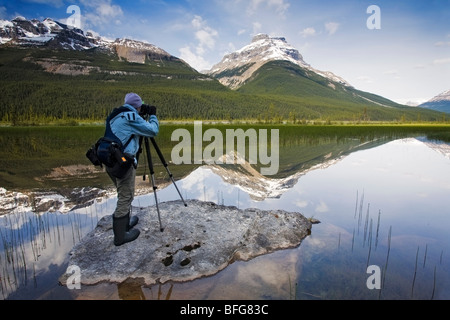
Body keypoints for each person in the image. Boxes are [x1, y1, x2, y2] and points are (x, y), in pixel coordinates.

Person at [107, 92, 159, 246]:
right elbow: (153, 131)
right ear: (138, 106)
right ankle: (121, 237)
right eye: (141, 106)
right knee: (126, 196)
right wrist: (153, 116)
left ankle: (126, 223)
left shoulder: (115, 115)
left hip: (109, 160)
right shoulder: (131, 117)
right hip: (123, 162)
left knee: (123, 192)